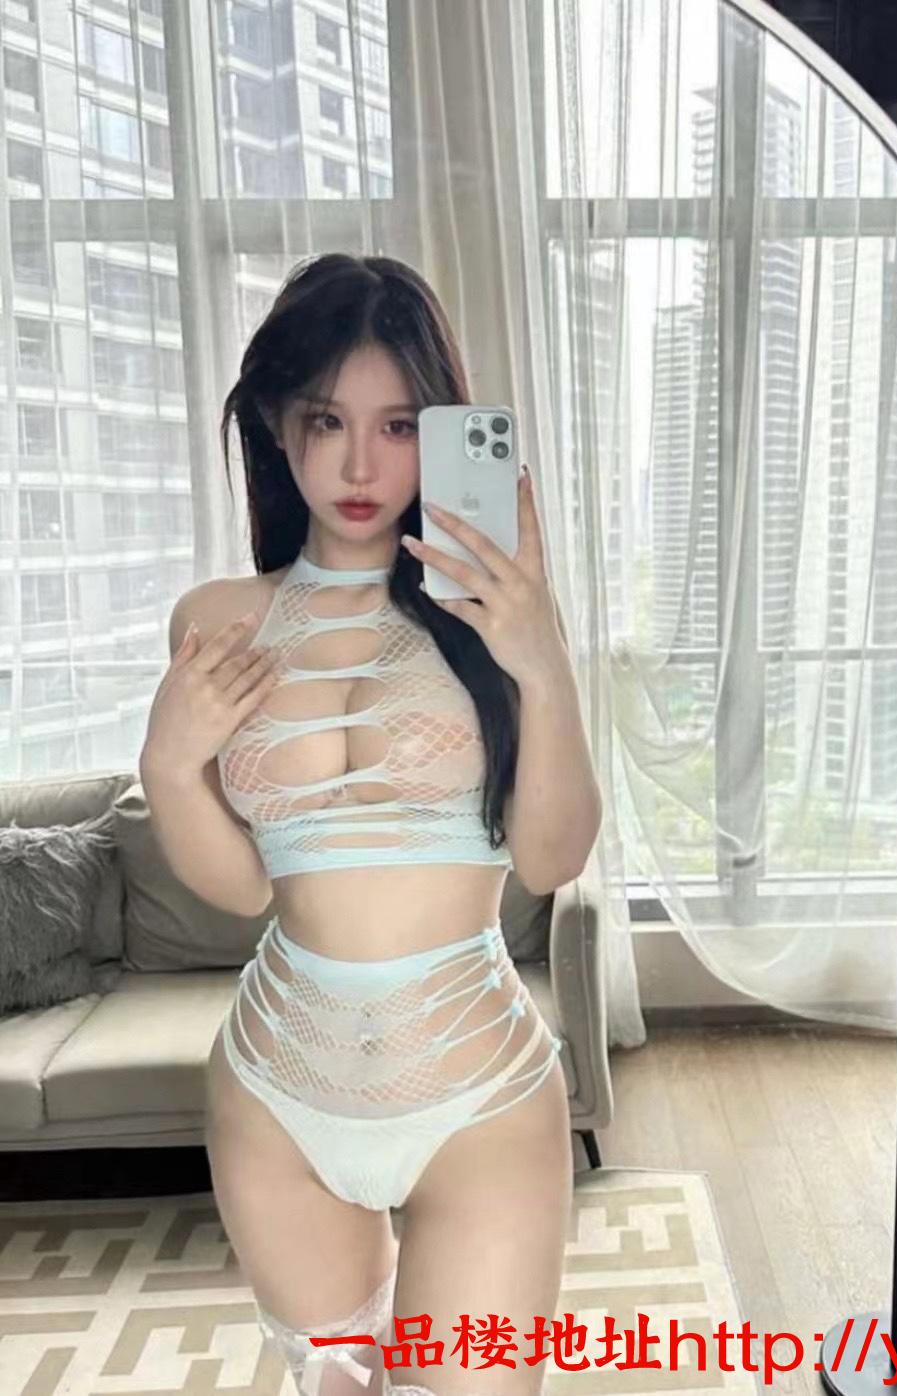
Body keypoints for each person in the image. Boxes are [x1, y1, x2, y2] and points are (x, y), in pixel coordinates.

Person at [138, 254, 602, 1395]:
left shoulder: (489, 615)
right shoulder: (218, 620)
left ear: (436, 430)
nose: (358, 466)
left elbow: (552, 855)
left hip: (479, 1103)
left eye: (397, 426)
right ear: (276, 426)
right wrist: (167, 765)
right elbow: (243, 889)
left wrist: (541, 660)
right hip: (275, 1096)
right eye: (325, 420)